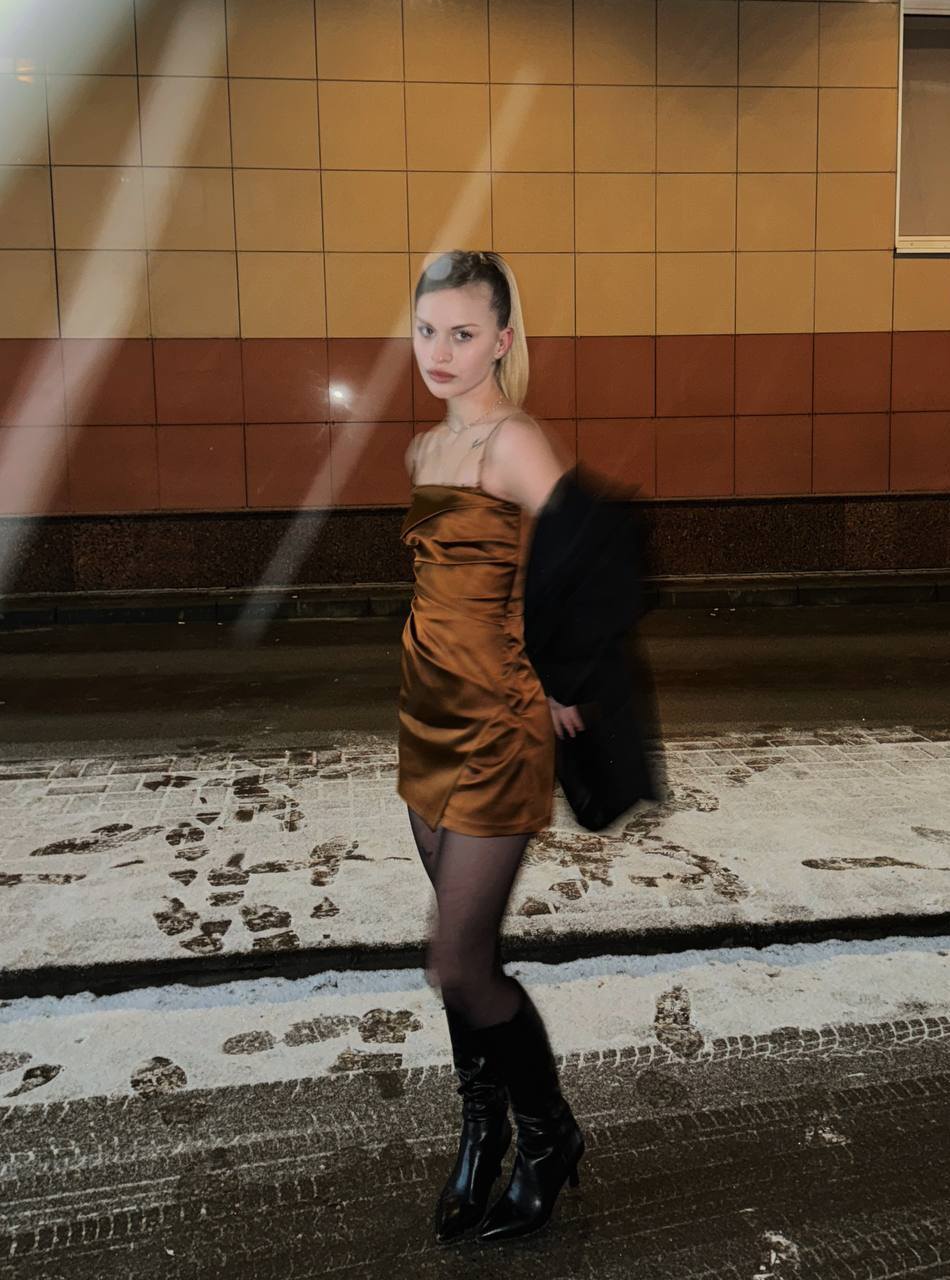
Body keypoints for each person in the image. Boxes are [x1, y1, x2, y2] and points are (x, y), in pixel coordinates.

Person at [397, 249, 584, 1244]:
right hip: (424, 720)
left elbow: (583, 561)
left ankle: (547, 1136)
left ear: (502, 339)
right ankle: (483, 1129)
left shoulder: (516, 442)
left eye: (463, 332)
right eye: (427, 329)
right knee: (464, 953)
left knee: (458, 960)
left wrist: (564, 677)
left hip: (497, 732)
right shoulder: (424, 450)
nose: (440, 350)